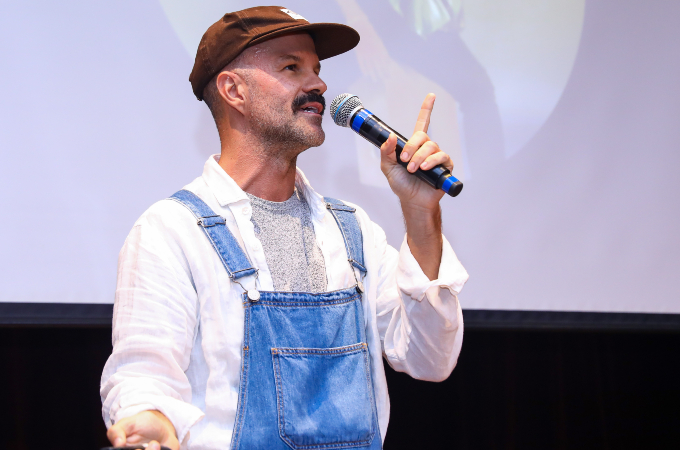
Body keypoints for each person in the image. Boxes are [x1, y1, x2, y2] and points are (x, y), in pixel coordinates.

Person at [100, 6, 468, 450]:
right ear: (233, 89)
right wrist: (151, 419)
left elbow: (431, 358)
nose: (319, 85)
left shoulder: (353, 231)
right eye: (291, 67)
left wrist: (420, 212)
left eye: (316, 69)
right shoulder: (173, 230)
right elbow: (143, 376)